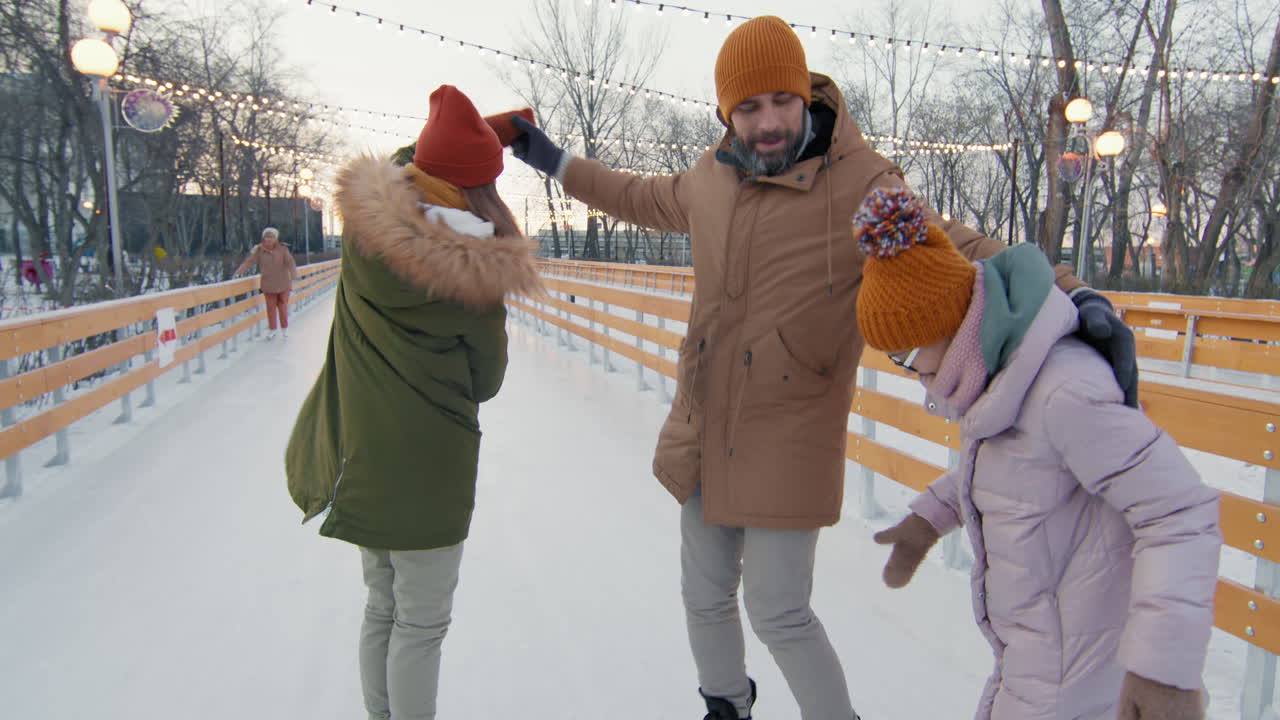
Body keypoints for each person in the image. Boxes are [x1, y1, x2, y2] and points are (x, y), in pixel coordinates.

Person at [508, 15, 1139, 720]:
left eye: (781, 100)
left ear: (804, 96)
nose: (768, 121)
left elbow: (955, 245)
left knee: (779, 611)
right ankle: (725, 705)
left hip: (791, 425)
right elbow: (635, 195)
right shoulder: (710, 179)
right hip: (707, 416)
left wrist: (1065, 287)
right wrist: (553, 160)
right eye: (747, 108)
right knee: (703, 592)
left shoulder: (861, 184)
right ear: (728, 114)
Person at [856, 187, 1221, 720]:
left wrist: (1165, 670)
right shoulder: (1003, 378)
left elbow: (1178, 512)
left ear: (953, 324)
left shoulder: (1062, 391)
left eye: (908, 354)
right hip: (1037, 661)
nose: (914, 373)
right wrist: (931, 518)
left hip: (1084, 678)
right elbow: (1015, 470)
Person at [284, 85, 541, 720]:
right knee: (421, 626)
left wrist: (475, 133)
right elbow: (488, 379)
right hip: (431, 469)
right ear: (483, 191)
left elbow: (414, 161)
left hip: (363, 454)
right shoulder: (474, 274)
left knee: (382, 606)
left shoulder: (364, 236)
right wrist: (486, 141)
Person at [233, 226, 299, 339]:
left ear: (276, 238)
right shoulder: (259, 250)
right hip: (268, 284)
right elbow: (250, 261)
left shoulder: (282, 249)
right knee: (270, 307)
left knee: (283, 306)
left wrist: (294, 275)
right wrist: (239, 271)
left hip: (283, 283)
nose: (269, 239)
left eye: (272, 237)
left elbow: (290, 262)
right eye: (267, 237)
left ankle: (284, 328)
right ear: (264, 238)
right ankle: (272, 329)